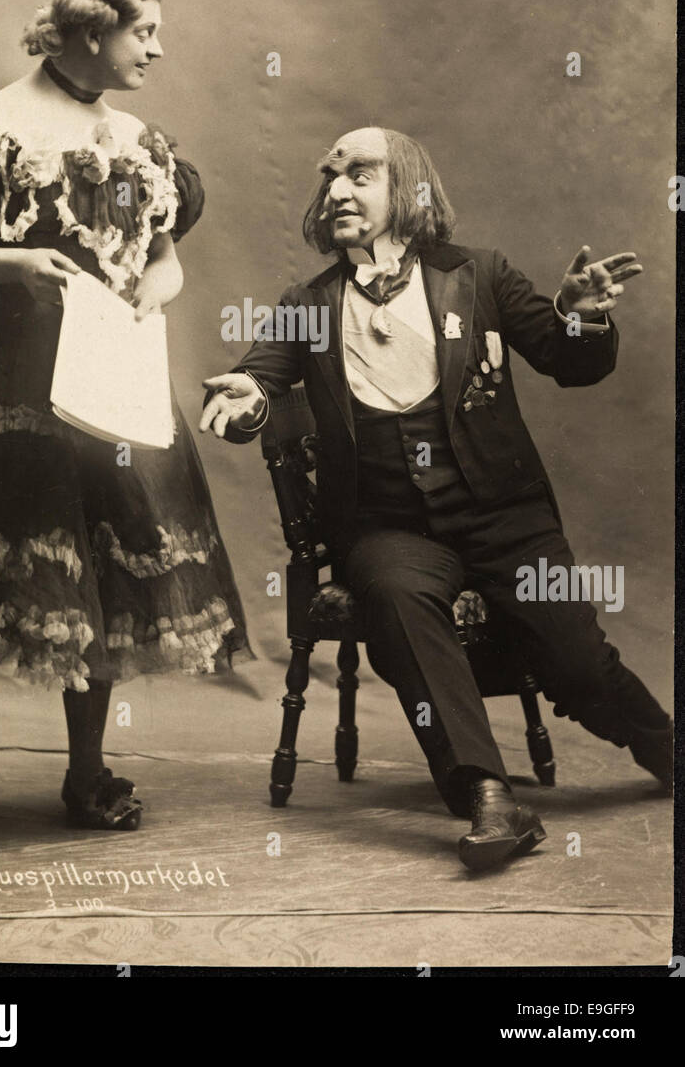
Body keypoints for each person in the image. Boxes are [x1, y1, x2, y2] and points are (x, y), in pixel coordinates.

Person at [201, 126, 672, 871]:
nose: (337, 190)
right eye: (330, 176)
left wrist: (579, 313)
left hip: (505, 520)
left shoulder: (480, 274)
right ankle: (489, 798)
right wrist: (249, 399)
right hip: (389, 529)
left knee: (577, 664)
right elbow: (258, 379)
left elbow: (566, 361)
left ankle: (664, 747)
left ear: (409, 191)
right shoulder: (308, 302)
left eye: (360, 173)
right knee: (395, 604)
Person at [0, 0, 251, 831]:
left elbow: (166, 265)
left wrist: (142, 295)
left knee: (106, 570)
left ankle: (86, 771)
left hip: (106, 384)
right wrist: (13, 264)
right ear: (92, 32)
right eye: (145, 33)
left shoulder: (141, 144)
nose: (156, 51)